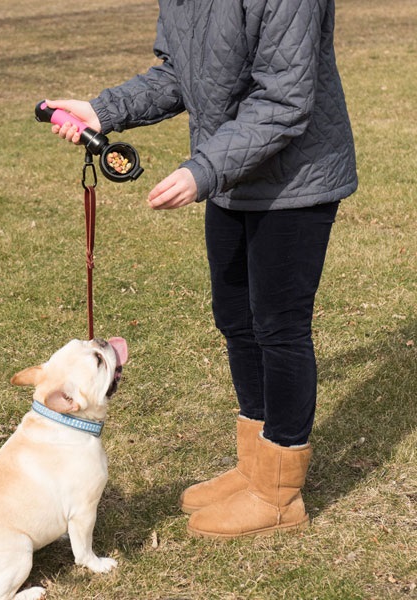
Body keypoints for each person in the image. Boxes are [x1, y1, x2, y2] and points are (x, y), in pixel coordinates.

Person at [44, 0, 357, 539]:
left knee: (278, 329)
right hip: (233, 176)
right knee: (236, 319)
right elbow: (178, 73)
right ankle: (255, 468)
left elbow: (285, 98)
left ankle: (280, 494)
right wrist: (104, 110)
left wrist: (204, 169)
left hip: (294, 180)